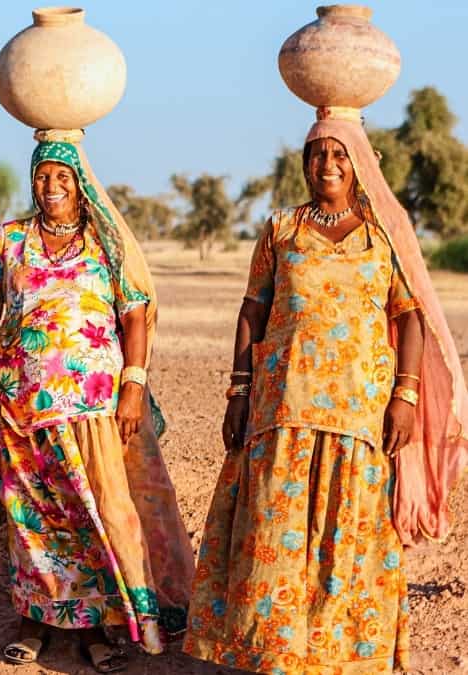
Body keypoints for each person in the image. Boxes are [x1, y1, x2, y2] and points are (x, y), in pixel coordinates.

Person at [183, 106, 468, 674]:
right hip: (281, 410)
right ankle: (269, 653)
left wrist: (405, 396)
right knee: (271, 529)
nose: (328, 164)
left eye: (339, 153)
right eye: (317, 154)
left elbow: (409, 317)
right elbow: (253, 309)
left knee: (350, 538)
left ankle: (339, 658)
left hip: (359, 416)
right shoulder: (281, 229)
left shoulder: (382, 236)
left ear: (360, 163)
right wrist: (238, 391)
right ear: (304, 163)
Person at [0, 129, 195, 673]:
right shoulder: (9, 240)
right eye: (42, 175)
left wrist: (133, 385)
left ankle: (104, 626)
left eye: (62, 176)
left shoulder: (104, 243)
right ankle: (36, 622)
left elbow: (134, 312)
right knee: (34, 518)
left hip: (94, 405)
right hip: (20, 406)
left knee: (100, 514)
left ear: (81, 183)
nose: (51, 185)